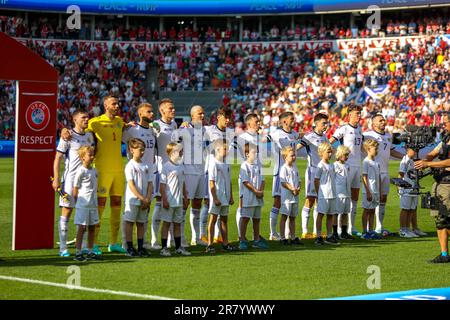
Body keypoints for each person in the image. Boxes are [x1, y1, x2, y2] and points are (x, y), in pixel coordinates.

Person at [61, 96, 128, 255]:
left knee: (117, 206)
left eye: (117, 103)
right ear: (106, 105)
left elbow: (130, 128)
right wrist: (64, 131)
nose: (117, 105)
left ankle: (113, 242)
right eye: (114, 103)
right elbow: (78, 129)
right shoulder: (95, 122)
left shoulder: (120, 121)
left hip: (118, 169)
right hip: (102, 170)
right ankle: (95, 243)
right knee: (100, 206)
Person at [53, 110, 95, 257]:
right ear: (75, 119)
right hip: (70, 180)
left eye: (87, 117)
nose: (86, 119)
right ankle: (63, 248)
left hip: (85, 182)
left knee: (84, 213)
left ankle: (83, 246)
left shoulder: (89, 136)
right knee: (67, 211)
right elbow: (58, 158)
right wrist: (57, 178)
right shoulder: (68, 136)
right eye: (83, 117)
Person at [415, 113, 450, 263]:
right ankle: (444, 255)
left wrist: (428, 164)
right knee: (440, 219)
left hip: (448, 184)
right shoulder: (446, 138)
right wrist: (422, 160)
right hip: (439, 182)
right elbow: (434, 153)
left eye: (445, 123)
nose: (443, 126)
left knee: (446, 218)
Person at [121, 103, 157, 250]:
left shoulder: (154, 131)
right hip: (135, 174)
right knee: (130, 215)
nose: (152, 114)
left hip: (149, 173)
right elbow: (119, 138)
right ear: (141, 114)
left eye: (152, 111)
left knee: (145, 210)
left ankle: (143, 243)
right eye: (149, 112)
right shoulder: (132, 130)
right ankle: (126, 244)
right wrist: (123, 126)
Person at [172, 105, 208, 246]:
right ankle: (180, 238)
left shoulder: (204, 129)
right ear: (192, 115)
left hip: (201, 171)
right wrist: (181, 128)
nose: (202, 115)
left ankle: (196, 238)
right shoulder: (185, 129)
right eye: (200, 113)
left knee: (197, 205)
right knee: (184, 205)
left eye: (203, 113)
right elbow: (174, 141)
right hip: (188, 171)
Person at [363, 113, 404, 235]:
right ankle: (364, 229)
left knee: (383, 199)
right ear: (374, 123)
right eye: (380, 120)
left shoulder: (388, 136)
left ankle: (379, 226)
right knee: (371, 201)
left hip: (385, 171)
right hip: (373, 172)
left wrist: (405, 157)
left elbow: (391, 151)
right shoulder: (367, 135)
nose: (383, 122)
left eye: (384, 120)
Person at [329, 105, 364, 236]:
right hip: (346, 167)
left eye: (360, 113)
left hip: (357, 167)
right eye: (357, 113)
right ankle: (338, 228)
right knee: (342, 198)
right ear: (349, 115)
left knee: (354, 198)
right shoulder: (344, 128)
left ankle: (351, 227)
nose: (359, 116)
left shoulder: (360, 130)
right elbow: (330, 141)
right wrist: (336, 154)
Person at [203, 107, 236, 244]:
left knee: (222, 206)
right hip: (210, 168)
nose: (228, 120)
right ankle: (199, 235)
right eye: (225, 117)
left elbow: (233, 149)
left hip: (225, 168)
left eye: (229, 118)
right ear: (218, 117)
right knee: (207, 203)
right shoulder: (209, 130)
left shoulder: (230, 133)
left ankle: (218, 237)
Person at [267, 111, 301, 241]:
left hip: (293, 172)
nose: (294, 121)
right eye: (291, 119)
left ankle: (289, 234)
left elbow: (299, 136)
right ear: (284, 121)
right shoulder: (277, 134)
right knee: (277, 202)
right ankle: (273, 233)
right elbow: (266, 139)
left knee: (291, 204)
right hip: (280, 172)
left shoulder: (293, 134)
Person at [150, 98, 179, 250]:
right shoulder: (155, 125)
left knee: (173, 202)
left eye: (173, 108)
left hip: (173, 168)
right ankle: (155, 240)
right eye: (170, 108)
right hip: (160, 168)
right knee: (160, 202)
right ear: (162, 111)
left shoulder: (174, 124)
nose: (173, 110)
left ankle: (172, 239)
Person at [298, 113, 330, 239]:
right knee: (310, 199)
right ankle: (305, 231)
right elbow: (297, 147)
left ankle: (317, 231)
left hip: (323, 172)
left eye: (326, 123)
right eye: (323, 123)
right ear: (316, 123)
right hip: (312, 171)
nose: (325, 126)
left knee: (319, 200)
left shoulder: (325, 137)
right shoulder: (309, 137)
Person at [159, 142, 191, 257]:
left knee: (177, 224)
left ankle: (178, 247)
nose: (182, 153)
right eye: (179, 151)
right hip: (170, 200)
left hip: (179, 201)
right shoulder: (166, 166)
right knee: (166, 224)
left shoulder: (181, 165)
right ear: (172, 153)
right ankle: (164, 248)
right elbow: (162, 186)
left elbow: (182, 183)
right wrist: (165, 200)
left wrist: (185, 197)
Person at [123, 138, 153, 257]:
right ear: (131, 150)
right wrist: (142, 198)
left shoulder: (146, 165)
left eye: (143, 150)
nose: (142, 152)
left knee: (141, 223)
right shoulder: (130, 166)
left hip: (144, 200)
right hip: (134, 200)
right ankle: (130, 247)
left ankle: (141, 247)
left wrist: (148, 198)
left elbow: (150, 183)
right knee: (130, 223)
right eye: (139, 150)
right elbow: (131, 185)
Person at [206, 139, 236, 253]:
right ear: (217, 149)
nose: (227, 151)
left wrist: (231, 196)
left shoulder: (227, 163)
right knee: (213, 219)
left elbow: (229, 181)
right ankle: (209, 244)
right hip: (217, 196)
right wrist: (214, 198)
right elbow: (211, 182)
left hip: (225, 196)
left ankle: (225, 243)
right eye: (225, 149)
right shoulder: (213, 163)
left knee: (224, 220)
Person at [72, 146, 101, 261]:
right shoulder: (80, 171)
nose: (92, 157)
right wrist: (77, 203)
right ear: (82, 157)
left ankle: (90, 251)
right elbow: (75, 188)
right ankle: (78, 252)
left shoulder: (94, 170)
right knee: (82, 228)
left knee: (92, 228)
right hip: (83, 205)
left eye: (93, 154)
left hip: (93, 205)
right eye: (90, 155)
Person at [238, 143, 267, 250]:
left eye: (257, 152)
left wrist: (261, 191)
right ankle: (242, 240)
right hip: (248, 198)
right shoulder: (244, 166)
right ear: (247, 154)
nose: (256, 154)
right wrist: (256, 191)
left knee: (256, 219)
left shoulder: (259, 165)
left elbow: (263, 180)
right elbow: (245, 182)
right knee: (245, 218)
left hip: (258, 197)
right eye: (254, 152)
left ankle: (256, 240)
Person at [314, 142, 339, 245]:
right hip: (324, 194)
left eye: (331, 152)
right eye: (328, 152)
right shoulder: (320, 165)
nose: (330, 154)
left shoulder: (332, 165)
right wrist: (318, 193)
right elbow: (316, 180)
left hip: (332, 194)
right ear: (321, 153)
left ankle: (329, 236)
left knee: (330, 215)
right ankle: (319, 236)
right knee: (320, 214)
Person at [398, 148, 426, 238]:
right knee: (405, 209)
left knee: (412, 209)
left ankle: (409, 229)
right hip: (406, 188)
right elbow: (400, 174)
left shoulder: (414, 159)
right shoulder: (405, 160)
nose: (415, 152)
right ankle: (403, 230)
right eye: (412, 150)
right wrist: (399, 187)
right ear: (407, 150)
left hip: (414, 187)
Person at [279, 146, 303, 245]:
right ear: (285, 157)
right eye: (291, 155)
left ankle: (293, 237)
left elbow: (299, 180)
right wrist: (292, 189)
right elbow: (283, 182)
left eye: (294, 155)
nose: (294, 157)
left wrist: (298, 189)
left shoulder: (295, 167)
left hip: (295, 196)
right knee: (284, 216)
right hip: (287, 197)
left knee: (293, 217)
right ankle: (282, 237)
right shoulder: (284, 168)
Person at [361, 139, 383, 240]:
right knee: (366, 210)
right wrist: (368, 191)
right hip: (368, 191)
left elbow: (378, 178)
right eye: (375, 147)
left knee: (373, 210)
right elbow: (364, 177)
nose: (377, 149)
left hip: (375, 191)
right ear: (368, 149)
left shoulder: (376, 163)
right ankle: (364, 232)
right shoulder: (366, 162)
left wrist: (380, 191)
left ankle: (371, 230)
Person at [333, 145, 354, 240]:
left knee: (345, 212)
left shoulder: (347, 165)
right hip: (339, 193)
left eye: (348, 155)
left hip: (347, 192)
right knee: (336, 213)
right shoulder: (335, 165)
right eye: (345, 155)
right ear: (340, 154)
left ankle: (344, 232)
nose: (347, 157)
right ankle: (335, 232)